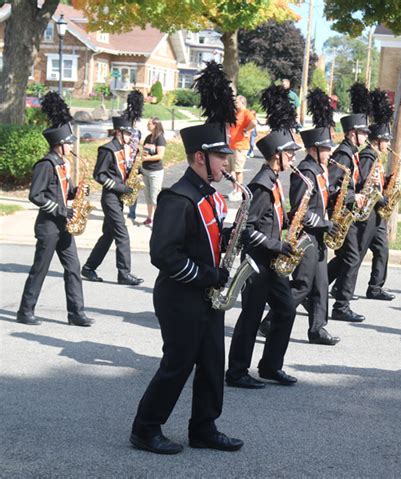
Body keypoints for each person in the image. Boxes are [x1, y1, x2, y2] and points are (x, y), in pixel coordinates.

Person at [130, 61, 243, 455]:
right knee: (178, 365)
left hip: (206, 294)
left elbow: (207, 236)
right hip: (181, 295)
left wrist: (230, 237)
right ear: (199, 158)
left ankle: (204, 427)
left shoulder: (211, 195)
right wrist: (206, 277)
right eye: (221, 158)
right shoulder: (177, 197)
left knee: (212, 363)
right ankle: (145, 429)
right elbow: (163, 254)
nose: (226, 164)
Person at [226, 84, 300, 389]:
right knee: (251, 318)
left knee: (286, 309)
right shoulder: (260, 185)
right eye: (290, 154)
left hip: (274, 262)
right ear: (277, 157)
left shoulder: (275, 180)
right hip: (258, 264)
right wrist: (276, 245)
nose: (294, 159)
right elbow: (247, 230)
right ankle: (237, 372)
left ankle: (271, 366)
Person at [259, 88, 341, 345]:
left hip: (319, 238)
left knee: (320, 286)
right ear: (315, 149)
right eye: (327, 149)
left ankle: (318, 329)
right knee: (303, 285)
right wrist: (327, 224)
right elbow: (301, 213)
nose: (331, 153)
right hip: (307, 237)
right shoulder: (305, 172)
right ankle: (271, 320)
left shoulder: (320, 169)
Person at [17, 92, 93, 327]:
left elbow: (64, 192)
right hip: (49, 226)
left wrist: (78, 193)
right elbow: (35, 195)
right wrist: (62, 211)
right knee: (40, 268)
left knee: (73, 267)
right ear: (59, 145)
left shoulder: (62, 165)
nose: (71, 146)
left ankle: (76, 313)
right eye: (69, 143)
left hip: (64, 225)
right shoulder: (46, 165)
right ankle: (25, 311)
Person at [327, 82, 371, 323]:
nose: (366, 136)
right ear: (352, 133)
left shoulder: (351, 153)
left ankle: (316, 289)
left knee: (347, 258)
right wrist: (355, 197)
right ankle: (341, 305)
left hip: (348, 214)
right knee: (351, 257)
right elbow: (332, 188)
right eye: (363, 132)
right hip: (340, 215)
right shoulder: (343, 154)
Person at [81, 115, 143, 286]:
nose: (131, 138)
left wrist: (137, 172)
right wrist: (121, 187)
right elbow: (98, 175)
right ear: (119, 132)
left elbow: (123, 171)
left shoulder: (124, 149)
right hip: (110, 197)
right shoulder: (107, 150)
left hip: (118, 198)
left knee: (108, 235)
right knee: (122, 235)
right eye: (128, 134)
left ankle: (89, 267)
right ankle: (124, 273)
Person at [356, 89, 395, 301]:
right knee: (355, 255)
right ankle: (333, 283)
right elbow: (364, 184)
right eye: (386, 141)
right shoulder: (367, 156)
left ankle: (375, 287)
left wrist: (387, 182)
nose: (388, 145)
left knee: (382, 249)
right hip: (367, 211)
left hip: (376, 213)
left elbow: (375, 182)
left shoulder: (376, 156)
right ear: (378, 140)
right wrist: (381, 198)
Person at [228, 95, 257, 202]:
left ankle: (240, 191)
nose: (235, 104)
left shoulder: (246, 113)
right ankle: (235, 189)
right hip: (232, 145)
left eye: (236, 102)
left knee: (238, 170)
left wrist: (246, 130)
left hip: (240, 146)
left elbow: (254, 123)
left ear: (243, 103)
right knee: (230, 170)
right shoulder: (235, 113)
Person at [124, 90, 144, 226]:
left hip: (134, 163)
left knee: (134, 189)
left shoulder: (137, 131)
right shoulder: (125, 130)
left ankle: (132, 213)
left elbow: (137, 146)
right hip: (124, 162)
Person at [141, 117, 166, 226]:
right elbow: (145, 151)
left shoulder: (160, 138)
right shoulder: (148, 137)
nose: (147, 125)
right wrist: (143, 156)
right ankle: (149, 217)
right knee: (147, 196)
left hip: (155, 172)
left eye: (149, 124)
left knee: (155, 196)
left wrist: (147, 159)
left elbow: (160, 155)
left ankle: (159, 220)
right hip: (145, 170)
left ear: (155, 125)